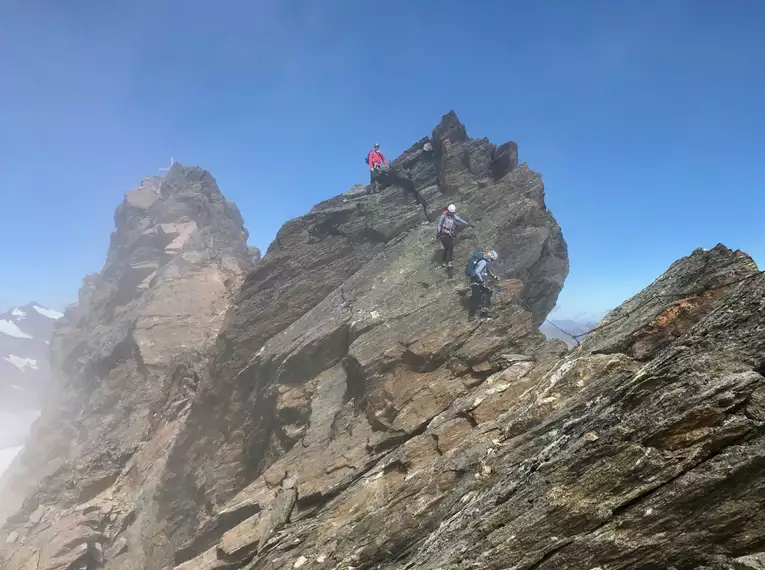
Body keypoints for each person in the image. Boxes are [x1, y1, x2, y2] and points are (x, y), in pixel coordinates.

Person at [468, 249, 500, 320]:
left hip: (477, 281)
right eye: (492, 259)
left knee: (488, 291)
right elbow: (477, 272)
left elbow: (488, 271)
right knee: (476, 298)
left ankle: (483, 308)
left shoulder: (485, 262)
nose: (491, 261)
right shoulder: (483, 262)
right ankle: (471, 316)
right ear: (490, 257)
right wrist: (482, 281)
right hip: (475, 282)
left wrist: (494, 276)